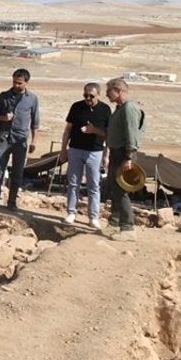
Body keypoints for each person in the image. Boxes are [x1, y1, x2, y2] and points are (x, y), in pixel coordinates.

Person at [58, 82, 111, 227]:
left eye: (91, 96)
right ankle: (71, 212)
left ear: (98, 95)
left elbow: (108, 134)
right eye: (85, 95)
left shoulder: (105, 110)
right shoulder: (76, 107)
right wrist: (63, 150)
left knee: (93, 185)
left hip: (95, 151)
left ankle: (93, 217)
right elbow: (68, 129)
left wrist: (106, 154)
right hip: (75, 149)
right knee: (73, 183)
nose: (88, 98)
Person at [0, 69, 40, 209]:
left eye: (19, 83)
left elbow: (35, 122)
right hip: (4, 137)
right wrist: (3, 118)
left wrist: (34, 142)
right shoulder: (4, 96)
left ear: (26, 82)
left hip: (20, 140)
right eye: (14, 82)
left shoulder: (32, 99)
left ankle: (11, 202)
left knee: (17, 172)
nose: (16, 85)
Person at [105, 77, 145, 241]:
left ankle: (128, 229)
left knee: (121, 191)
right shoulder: (119, 109)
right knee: (114, 188)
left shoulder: (129, 108)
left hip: (124, 154)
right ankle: (115, 221)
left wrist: (128, 157)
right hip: (116, 153)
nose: (106, 94)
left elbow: (131, 133)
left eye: (109, 90)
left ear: (118, 90)